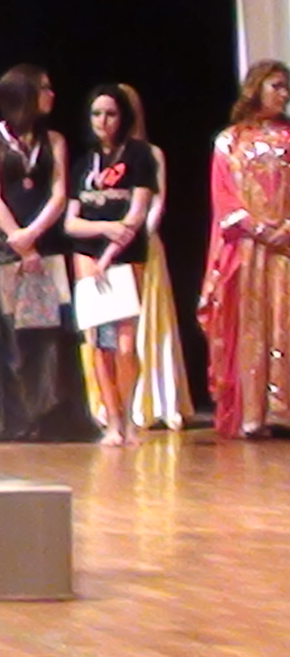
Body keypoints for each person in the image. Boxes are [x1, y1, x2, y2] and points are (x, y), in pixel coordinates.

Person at [0, 66, 97, 443]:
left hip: (45, 244)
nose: (51, 94)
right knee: (13, 333)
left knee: (49, 333)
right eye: (43, 88)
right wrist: (18, 238)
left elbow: (59, 193)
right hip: (6, 248)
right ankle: (14, 419)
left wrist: (34, 235)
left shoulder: (53, 140)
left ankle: (54, 417)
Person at [200, 59, 290, 438]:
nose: (283, 94)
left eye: (285, 87)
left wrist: (285, 228)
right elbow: (223, 194)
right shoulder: (230, 140)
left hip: (286, 246)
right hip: (247, 249)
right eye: (276, 86)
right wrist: (256, 227)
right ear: (256, 88)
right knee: (250, 326)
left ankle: (282, 409)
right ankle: (252, 412)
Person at [64, 83, 156, 446]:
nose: (103, 121)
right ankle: (113, 421)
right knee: (99, 344)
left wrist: (109, 253)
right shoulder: (83, 163)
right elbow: (71, 222)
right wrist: (103, 228)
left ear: (123, 117)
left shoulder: (139, 156)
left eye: (111, 113)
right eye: (97, 114)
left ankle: (129, 415)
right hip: (86, 255)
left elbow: (135, 214)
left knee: (126, 345)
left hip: (125, 256)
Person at [120, 84, 194, 430]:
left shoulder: (151, 154)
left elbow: (157, 201)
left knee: (150, 321)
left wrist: (138, 234)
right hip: (108, 250)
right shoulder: (98, 158)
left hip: (144, 246)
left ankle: (156, 400)